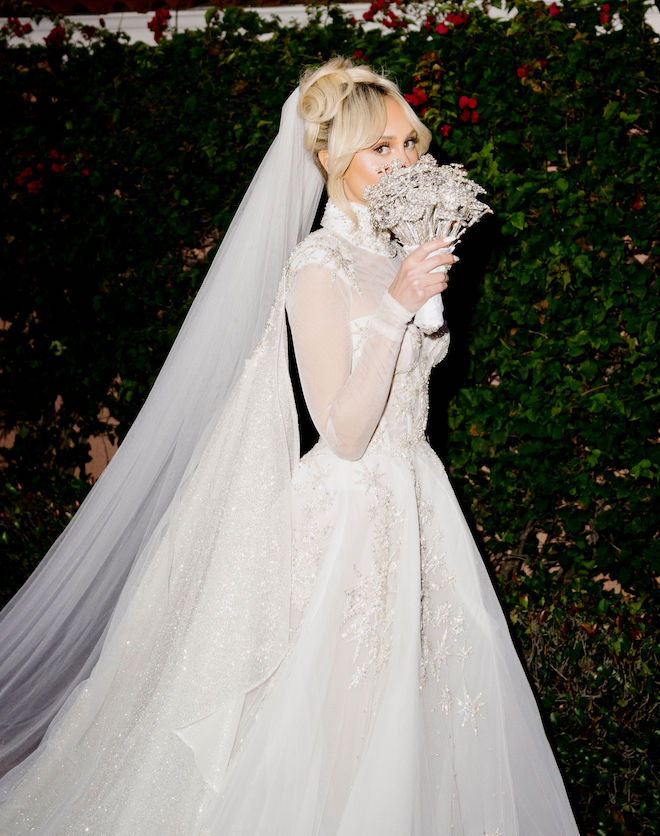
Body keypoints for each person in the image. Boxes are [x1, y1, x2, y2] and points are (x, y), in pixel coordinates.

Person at [0, 58, 579, 834]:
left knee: (429, 706)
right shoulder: (318, 265)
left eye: (410, 145)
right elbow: (340, 433)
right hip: (346, 520)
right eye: (381, 148)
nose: (404, 162)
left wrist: (418, 300)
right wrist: (397, 311)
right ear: (329, 157)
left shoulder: (393, 256)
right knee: (335, 715)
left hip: (417, 501)